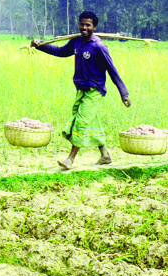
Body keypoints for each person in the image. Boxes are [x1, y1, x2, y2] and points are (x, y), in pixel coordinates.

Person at [32, 11, 131, 169]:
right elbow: (60, 52)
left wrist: (124, 94)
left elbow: (112, 71)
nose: (84, 27)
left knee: (80, 123)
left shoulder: (99, 47)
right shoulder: (76, 42)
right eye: (82, 24)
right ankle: (105, 155)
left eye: (88, 25)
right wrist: (41, 46)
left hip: (95, 91)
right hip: (81, 90)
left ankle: (70, 159)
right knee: (91, 121)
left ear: (94, 27)